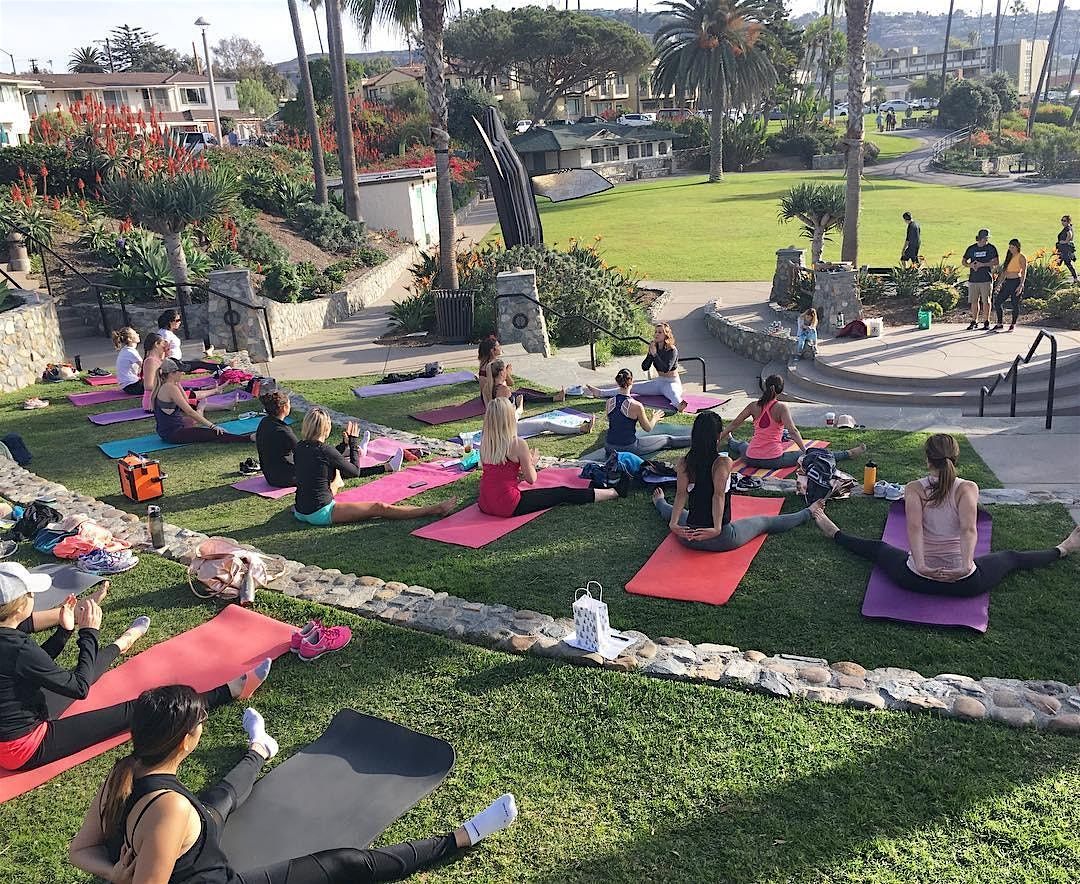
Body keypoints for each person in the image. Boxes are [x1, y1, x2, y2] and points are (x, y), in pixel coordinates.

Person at [69, 686, 519, 884]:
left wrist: (112, 870)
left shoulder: (122, 772)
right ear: (188, 738)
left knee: (220, 799)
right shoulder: (167, 810)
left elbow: (79, 851)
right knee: (342, 863)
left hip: (187, 840)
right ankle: (462, 837)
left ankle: (260, 749)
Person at [809, 433, 1080, 596]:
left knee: (878, 549)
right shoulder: (968, 489)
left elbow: (914, 529)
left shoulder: (915, 488)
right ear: (956, 458)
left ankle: (830, 528)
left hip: (915, 578)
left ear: (928, 460)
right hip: (965, 583)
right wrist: (963, 568)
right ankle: (1065, 547)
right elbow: (968, 529)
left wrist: (924, 567)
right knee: (1011, 558)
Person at [0, 561, 156, 772]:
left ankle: (122, 643)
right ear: (19, 606)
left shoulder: (15, 646)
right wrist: (89, 632)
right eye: (31, 594)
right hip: (21, 748)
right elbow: (79, 688)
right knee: (138, 708)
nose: (34, 598)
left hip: (19, 719)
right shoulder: (18, 646)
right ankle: (215, 695)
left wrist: (64, 633)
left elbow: (32, 666)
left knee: (74, 675)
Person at [652, 411, 813, 551]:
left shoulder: (684, 462)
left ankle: (660, 502)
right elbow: (718, 496)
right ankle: (808, 512)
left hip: (690, 537)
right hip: (721, 538)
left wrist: (674, 525)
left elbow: (681, 495)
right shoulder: (722, 463)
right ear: (717, 436)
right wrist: (715, 529)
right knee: (765, 522)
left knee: (677, 513)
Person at [293, 407, 455, 526]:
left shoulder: (300, 447)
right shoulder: (325, 451)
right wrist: (354, 443)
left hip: (300, 511)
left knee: (334, 483)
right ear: (326, 428)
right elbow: (355, 471)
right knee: (379, 508)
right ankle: (435, 509)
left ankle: (336, 485)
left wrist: (344, 445)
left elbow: (326, 457)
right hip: (319, 513)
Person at [478, 398, 622, 517]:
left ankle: (606, 488)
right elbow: (531, 479)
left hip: (484, 502)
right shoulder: (517, 444)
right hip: (507, 505)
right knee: (562, 493)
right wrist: (531, 462)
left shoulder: (485, 442)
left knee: (560, 491)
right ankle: (612, 492)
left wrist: (522, 466)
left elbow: (499, 472)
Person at [720, 375, 866, 470]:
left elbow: (734, 424)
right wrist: (805, 451)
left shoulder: (753, 406)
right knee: (816, 454)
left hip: (750, 458)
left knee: (741, 445)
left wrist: (719, 437)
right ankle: (848, 453)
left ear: (765, 386)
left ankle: (730, 439)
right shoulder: (781, 408)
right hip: (773, 460)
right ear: (780, 390)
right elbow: (793, 431)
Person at [587, 323, 688, 411]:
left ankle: (679, 405)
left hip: (672, 382)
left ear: (666, 335)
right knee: (631, 386)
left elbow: (666, 368)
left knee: (673, 395)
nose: (656, 334)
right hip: (658, 382)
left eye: (660, 332)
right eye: (656, 332)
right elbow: (645, 367)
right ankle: (600, 393)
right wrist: (650, 354)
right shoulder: (654, 347)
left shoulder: (672, 350)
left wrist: (655, 355)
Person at [152, 359, 253, 446]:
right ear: (172, 373)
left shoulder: (166, 384)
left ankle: (203, 410)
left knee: (192, 421)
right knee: (214, 433)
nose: (182, 373)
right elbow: (189, 411)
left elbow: (186, 401)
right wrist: (212, 426)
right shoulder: (170, 387)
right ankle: (249, 439)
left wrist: (177, 383)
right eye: (180, 371)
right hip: (173, 434)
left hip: (165, 431)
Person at [595, 369, 692, 456]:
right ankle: (697, 440)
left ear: (617, 382)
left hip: (609, 447)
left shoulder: (609, 402)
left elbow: (614, 421)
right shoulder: (636, 405)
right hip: (629, 448)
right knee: (667, 439)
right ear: (632, 382)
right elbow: (648, 428)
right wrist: (655, 418)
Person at [487, 360, 594, 436]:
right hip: (509, 429)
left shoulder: (496, 387)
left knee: (544, 422)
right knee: (546, 424)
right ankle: (581, 429)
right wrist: (520, 407)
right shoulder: (503, 391)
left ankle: (580, 428)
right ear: (501, 372)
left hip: (505, 426)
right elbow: (509, 417)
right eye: (504, 371)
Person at [478, 336, 564, 406]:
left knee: (523, 392)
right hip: (495, 397)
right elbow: (501, 386)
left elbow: (506, 383)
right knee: (524, 395)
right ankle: (555, 398)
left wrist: (506, 375)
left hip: (491, 396)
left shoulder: (490, 365)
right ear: (492, 351)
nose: (500, 347)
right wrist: (507, 374)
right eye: (498, 346)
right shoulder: (491, 367)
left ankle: (551, 397)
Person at [254, 391, 301, 488]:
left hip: (270, 476)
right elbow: (302, 451)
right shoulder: (283, 431)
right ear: (284, 408)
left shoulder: (264, 422)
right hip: (286, 478)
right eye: (289, 404)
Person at [156, 310, 221, 374]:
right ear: (170, 322)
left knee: (196, 361)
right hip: (174, 364)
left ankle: (208, 354)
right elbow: (161, 350)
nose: (180, 322)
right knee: (200, 364)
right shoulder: (165, 334)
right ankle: (223, 367)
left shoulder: (165, 332)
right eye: (178, 320)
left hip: (176, 361)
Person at [962, 228, 999, 331]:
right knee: (974, 301)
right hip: (973, 279)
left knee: (986, 301)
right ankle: (974, 321)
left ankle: (986, 321)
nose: (987, 240)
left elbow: (996, 262)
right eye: (986, 238)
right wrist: (971, 265)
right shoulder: (971, 248)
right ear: (982, 238)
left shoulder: (991, 248)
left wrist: (983, 264)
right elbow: (964, 261)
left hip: (986, 278)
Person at [993, 238, 1027, 332]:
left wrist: (1021, 285)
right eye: (1010, 247)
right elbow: (1004, 272)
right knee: (998, 302)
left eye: (1012, 247)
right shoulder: (1009, 256)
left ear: (1017, 247)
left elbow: (1024, 271)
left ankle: (1013, 324)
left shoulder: (1021, 257)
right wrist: (999, 284)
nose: (1010, 249)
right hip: (1007, 282)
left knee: (1014, 304)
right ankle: (999, 323)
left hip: (1016, 281)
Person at [141, 334, 169, 413]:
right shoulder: (150, 361)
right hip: (153, 403)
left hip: (162, 398)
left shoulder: (158, 360)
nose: (165, 345)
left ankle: (206, 391)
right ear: (156, 344)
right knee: (191, 398)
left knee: (191, 396)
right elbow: (148, 386)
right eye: (163, 343)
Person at [112, 328, 144, 396]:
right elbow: (146, 367)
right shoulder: (131, 352)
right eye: (135, 333)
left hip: (128, 386)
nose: (138, 334)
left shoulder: (126, 350)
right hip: (132, 386)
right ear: (129, 339)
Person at [1056, 214, 1077, 282]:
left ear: (1068, 221)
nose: (1062, 222)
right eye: (1062, 220)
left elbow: (1069, 234)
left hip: (1064, 249)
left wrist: (1065, 241)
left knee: (1065, 263)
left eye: (1064, 220)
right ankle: (1075, 278)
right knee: (1058, 263)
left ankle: (1075, 278)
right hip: (1062, 249)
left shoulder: (1068, 228)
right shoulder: (1067, 228)